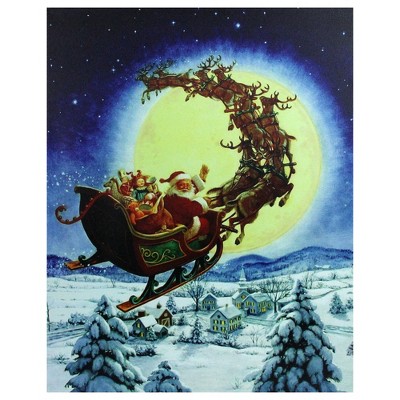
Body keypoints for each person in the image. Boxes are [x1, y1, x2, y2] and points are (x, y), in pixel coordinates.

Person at [160, 165, 210, 241]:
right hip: (179, 228)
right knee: (204, 223)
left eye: (187, 184)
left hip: (178, 221)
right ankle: (201, 242)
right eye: (181, 185)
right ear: (175, 186)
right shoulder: (178, 198)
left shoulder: (175, 193)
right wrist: (204, 201)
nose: (185, 187)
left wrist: (201, 178)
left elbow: (190, 190)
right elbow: (191, 210)